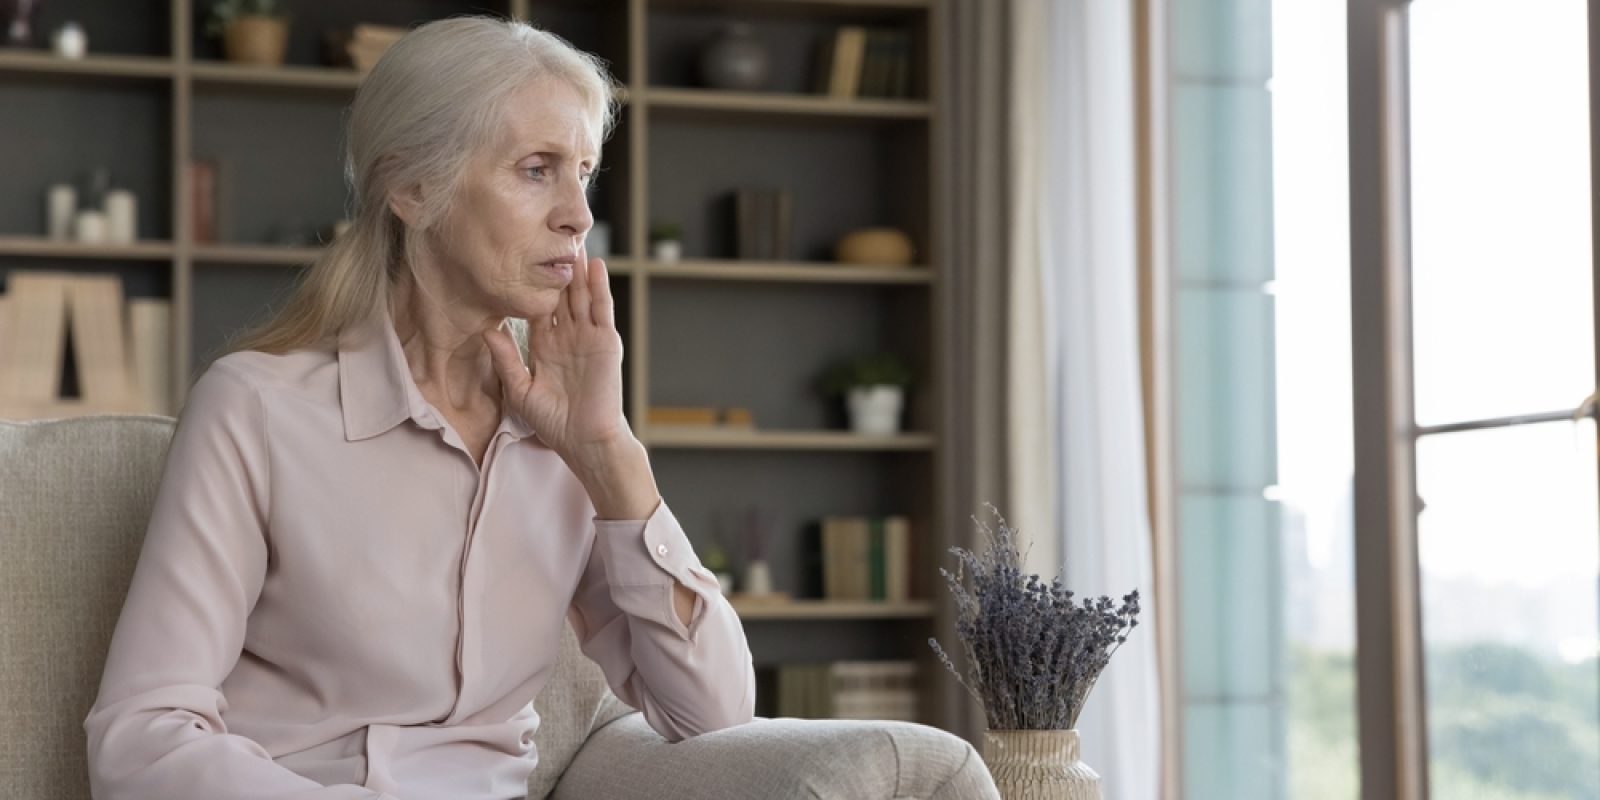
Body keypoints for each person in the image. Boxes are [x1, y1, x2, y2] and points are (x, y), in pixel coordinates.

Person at [83, 16, 754, 799]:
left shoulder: (567, 437)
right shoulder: (256, 409)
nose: (578, 213)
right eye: (536, 169)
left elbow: (715, 718)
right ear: (411, 189)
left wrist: (608, 452)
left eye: (583, 172)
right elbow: (142, 738)